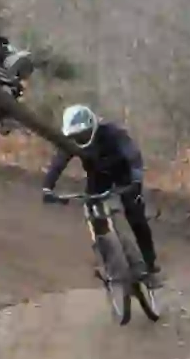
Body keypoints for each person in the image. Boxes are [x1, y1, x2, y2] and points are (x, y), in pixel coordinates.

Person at [41, 104, 162, 287]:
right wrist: (47, 188)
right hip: (98, 178)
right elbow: (58, 162)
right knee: (94, 214)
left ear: (92, 127)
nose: (79, 138)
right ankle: (110, 260)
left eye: (83, 134)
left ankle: (150, 267)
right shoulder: (72, 142)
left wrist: (136, 179)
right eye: (75, 136)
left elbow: (133, 155)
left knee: (136, 217)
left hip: (125, 175)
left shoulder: (112, 133)